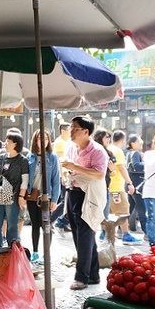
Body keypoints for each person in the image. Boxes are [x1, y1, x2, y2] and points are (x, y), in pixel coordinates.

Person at [60, 116, 109, 291]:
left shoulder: (97, 150)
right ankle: (93, 274)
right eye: (71, 128)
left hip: (90, 196)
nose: (71, 132)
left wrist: (75, 167)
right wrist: (68, 170)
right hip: (73, 192)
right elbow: (70, 166)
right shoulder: (71, 147)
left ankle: (81, 278)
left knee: (85, 235)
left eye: (75, 129)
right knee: (81, 235)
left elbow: (99, 174)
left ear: (86, 132)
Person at [22, 129, 61, 262]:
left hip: (46, 197)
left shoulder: (52, 157)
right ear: (35, 140)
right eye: (40, 138)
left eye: (46, 138)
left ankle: (46, 254)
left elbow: (56, 180)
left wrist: (54, 199)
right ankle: (35, 252)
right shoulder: (29, 157)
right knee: (34, 224)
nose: (43, 141)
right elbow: (25, 178)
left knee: (46, 225)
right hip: (32, 196)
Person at [0, 131, 27, 249]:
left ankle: (12, 246)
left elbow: (25, 180)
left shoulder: (22, 160)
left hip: (13, 195)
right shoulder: (1, 158)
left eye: (8, 142)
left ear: (16, 144)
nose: (5, 144)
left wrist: (21, 196)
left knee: (12, 224)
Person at [106, 130, 140, 243]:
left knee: (108, 212)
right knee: (123, 211)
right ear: (123, 139)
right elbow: (121, 168)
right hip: (116, 187)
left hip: (108, 186)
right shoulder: (118, 151)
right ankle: (125, 234)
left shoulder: (108, 148)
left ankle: (106, 234)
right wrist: (129, 183)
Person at [125, 134, 146, 234]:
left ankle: (122, 229)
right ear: (132, 143)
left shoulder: (129, 153)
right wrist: (147, 163)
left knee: (130, 208)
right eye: (139, 141)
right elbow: (137, 166)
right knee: (141, 208)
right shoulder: (136, 153)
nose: (141, 142)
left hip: (130, 183)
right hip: (137, 184)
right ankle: (146, 231)